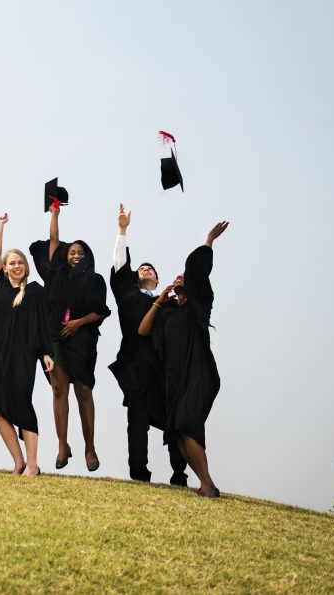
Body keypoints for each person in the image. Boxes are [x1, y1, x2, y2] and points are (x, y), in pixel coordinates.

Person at [138, 220, 230, 497]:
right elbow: (143, 330)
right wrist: (160, 299)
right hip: (176, 380)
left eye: (183, 278)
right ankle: (207, 483)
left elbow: (198, 273)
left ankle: (207, 485)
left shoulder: (197, 309)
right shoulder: (167, 315)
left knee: (187, 423)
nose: (179, 279)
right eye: (176, 277)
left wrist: (209, 241)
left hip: (199, 375)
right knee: (177, 432)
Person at [107, 203, 188, 485]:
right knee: (137, 422)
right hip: (136, 367)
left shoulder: (166, 304)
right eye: (140, 267)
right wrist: (122, 230)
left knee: (174, 420)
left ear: (158, 279)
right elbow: (119, 266)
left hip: (164, 369)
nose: (144, 269)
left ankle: (180, 472)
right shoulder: (127, 296)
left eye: (150, 268)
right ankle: (139, 471)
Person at [29, 203, 111, 471]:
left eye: (80, 252)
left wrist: (78, 323)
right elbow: (54, 240)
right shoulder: (54, 276)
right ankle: (62, 445)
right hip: (55, 337)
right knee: (58, 390)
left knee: (84, 390)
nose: (75, 255)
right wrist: (54, 214)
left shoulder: (96, 279)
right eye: (71, 252)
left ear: (87, 256)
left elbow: (100, 310)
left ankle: (90, 447)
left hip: (83, 338)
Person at [0, 213, 55, 476]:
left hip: (23, 356)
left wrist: (47, 353)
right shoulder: (0, 289)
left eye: (20, 263)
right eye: (12, 263)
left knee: (22, 403)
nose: (16, 266)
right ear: (5, 268)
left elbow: (43, 325)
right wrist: (0, 225)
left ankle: (33, 463)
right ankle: (18, 461)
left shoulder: (36, 290)